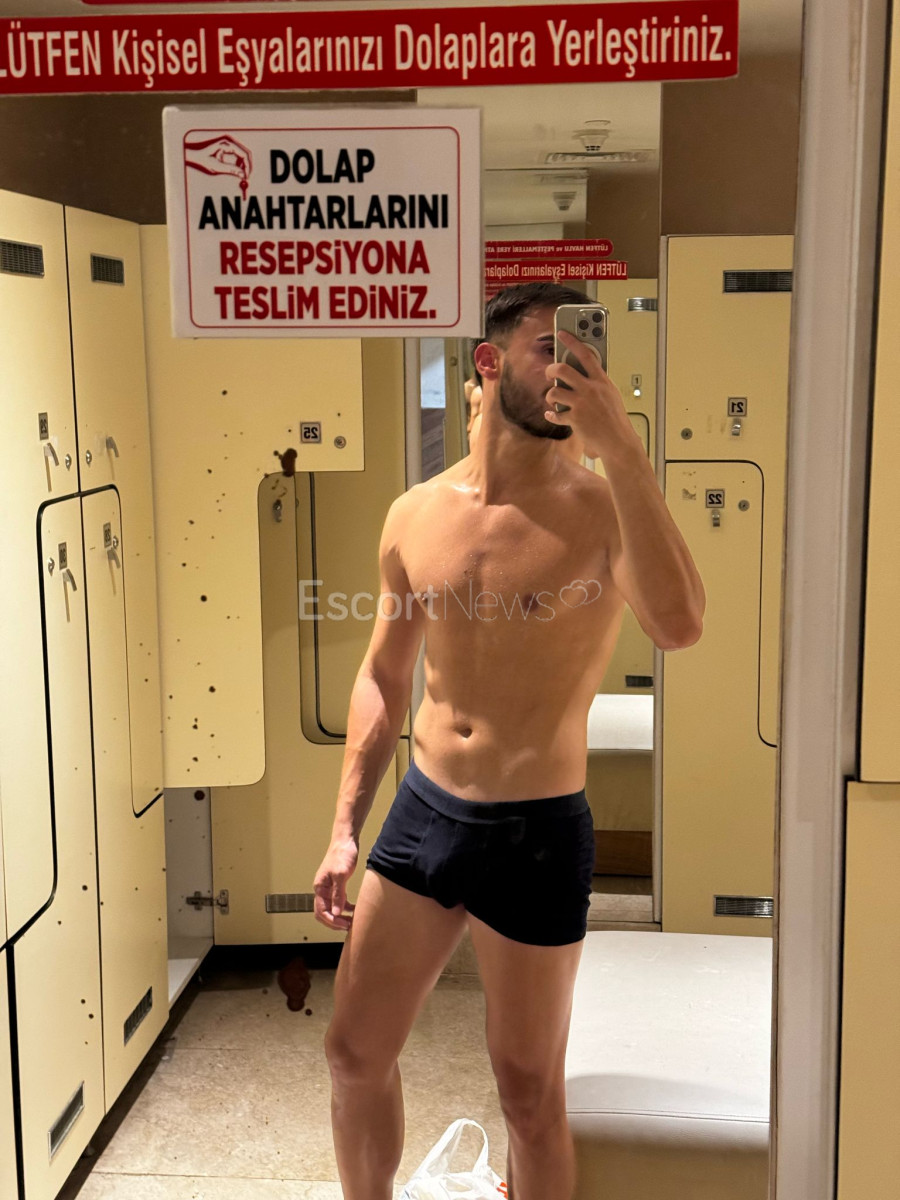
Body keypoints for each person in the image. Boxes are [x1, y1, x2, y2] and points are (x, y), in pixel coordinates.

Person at [314, 281, 706, 1200]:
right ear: (488, 365)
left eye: (586, 354)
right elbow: (382, 678)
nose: (574, 371)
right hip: (424, 814)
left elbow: (680, 625)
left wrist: (626, 454)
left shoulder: (602, 510)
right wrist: (343, 828)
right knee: (352, 1053)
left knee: (529, 1096)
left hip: (536, 830)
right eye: (550, 350)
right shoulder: (416, 513)